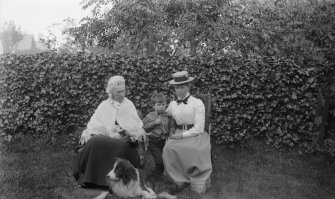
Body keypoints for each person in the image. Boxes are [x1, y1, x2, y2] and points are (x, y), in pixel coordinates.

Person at [72, 75, 146, 188]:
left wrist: (125, 131)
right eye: (118, 92)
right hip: (104, 137)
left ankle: (117, 182)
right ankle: (90, 179)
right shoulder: (104, 105)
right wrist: (108, 131)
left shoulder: (128, 104)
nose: (122, 94)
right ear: (111, 93)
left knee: (120, 146)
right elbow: (94, 125)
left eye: (123, 91)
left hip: (123, 141)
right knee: (95, 141)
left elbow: (136, 128)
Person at [162, 71, 212, 193]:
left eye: (182, 87)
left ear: (188, 86)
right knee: (168, 148)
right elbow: (164, 115)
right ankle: (176, 180)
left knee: (196, 150)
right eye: (177, 87)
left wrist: (181, 135)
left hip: (196, 133)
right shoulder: (173, 104)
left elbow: (199, 128)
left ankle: (198, 180)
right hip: (178, 131)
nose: (179, 90)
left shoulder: (197, 103)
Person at [142, 93, 175, 174]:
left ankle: (163, 173)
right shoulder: (150, 116)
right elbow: (144, 127)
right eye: (158, 105)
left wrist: (171, 133)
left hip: (164, 141)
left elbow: (172, 126)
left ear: (166, 105)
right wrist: (154, 123)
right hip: (153, 141)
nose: (161, 107)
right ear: (153, 106)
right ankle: (157, 175)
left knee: (165, 158)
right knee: (159, 159)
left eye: (163, 104)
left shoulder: (168, 116)